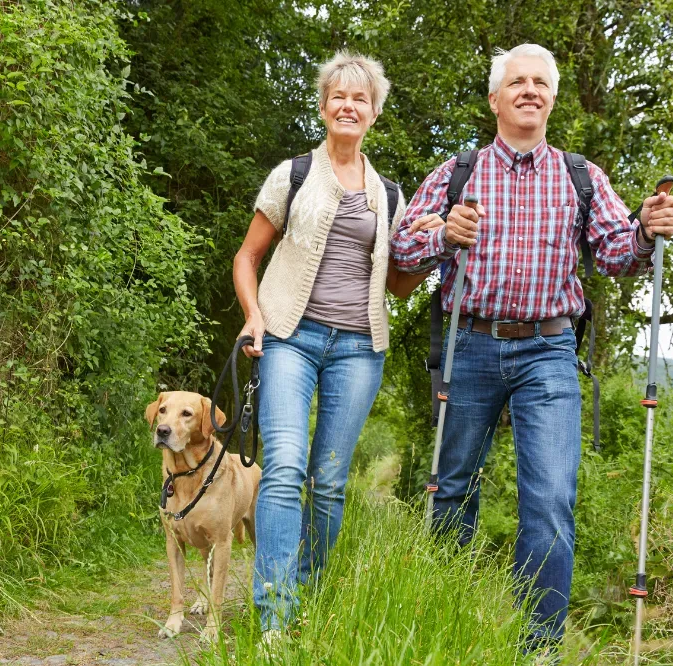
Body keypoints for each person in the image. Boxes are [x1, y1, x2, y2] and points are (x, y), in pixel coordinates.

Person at [390, 44, 673, 650]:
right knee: (451, 491)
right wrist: (444, 235)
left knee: (549, 500)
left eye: (540, 82)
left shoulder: (580, 176)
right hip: (467, 344)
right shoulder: (458, 172)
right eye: (516, 82)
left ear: (552, 97)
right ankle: (448, 627)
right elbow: (400, 251)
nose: (529, 90)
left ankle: (538, 649)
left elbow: (616, 253)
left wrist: (647, 228)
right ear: (496, 99)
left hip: (548, 352)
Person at [233, 51, 410, 643]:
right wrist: (254, 316)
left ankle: (305, 595)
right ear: (323, 105)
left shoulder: (389, 193)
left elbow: (401, 283)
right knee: (285, 467)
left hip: (360, 349)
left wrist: (435, 246)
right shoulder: (294, 174)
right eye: (340, 96)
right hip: (290, 337)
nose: (349, 106)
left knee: (329, 480)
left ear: (374, 114)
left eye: (361, 99)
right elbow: (247, 257)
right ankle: (275, 619)